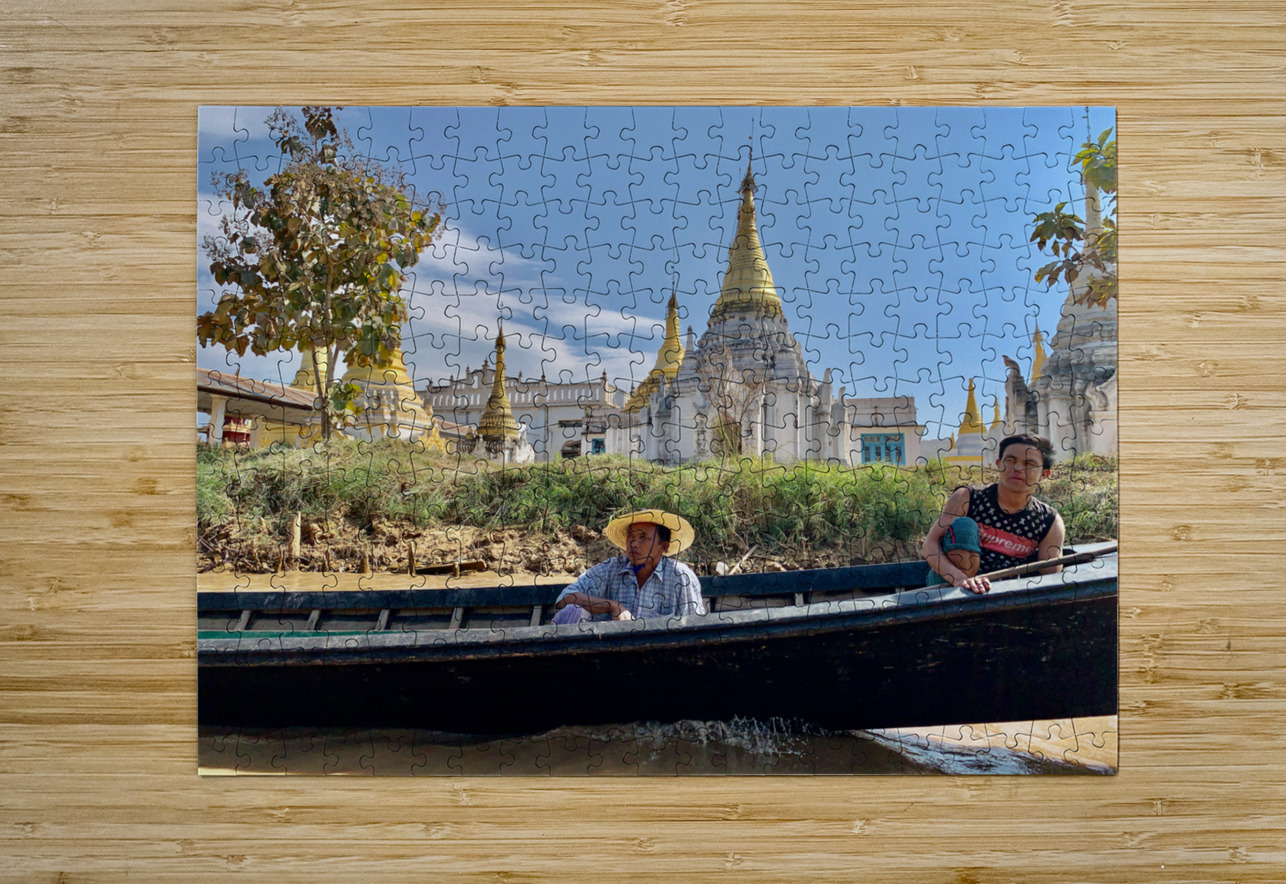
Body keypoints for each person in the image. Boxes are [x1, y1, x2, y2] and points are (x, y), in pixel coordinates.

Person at [922, 433, 1066, 594]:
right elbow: (930, 545)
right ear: (998, 464)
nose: (1017, 468)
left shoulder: (1049, 520)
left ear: (1044, 474)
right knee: (964, 526)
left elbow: (1051, 574)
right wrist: (959, 579)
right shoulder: (968, 497)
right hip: (950, 587)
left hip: (1004, 595)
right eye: (1010, 461)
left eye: (1029, 464)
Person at [552, 509, 706, 623]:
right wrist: (612, 606)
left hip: (661, 659)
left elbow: (696, 627)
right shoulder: (611, 568)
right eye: (631, 537)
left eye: (643, 538)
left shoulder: (680, 576)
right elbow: (564, 599)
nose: (634, 544)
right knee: (572, 610)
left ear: (664, 547)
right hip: (607, 657)